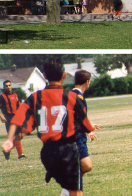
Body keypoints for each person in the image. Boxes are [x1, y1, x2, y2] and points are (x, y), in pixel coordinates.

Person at [3, 58, 90, 196]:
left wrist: (9, 139)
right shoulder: (71, 97)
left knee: (70, 189)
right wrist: (89, 129)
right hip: (67, 150)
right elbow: (85, 124)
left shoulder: (35, 97)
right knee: (76, 193)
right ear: (64, 75)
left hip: (48, 154)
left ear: (44, 75)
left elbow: (18, 118)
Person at [72, 71, 100, 176]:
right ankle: (67, 188)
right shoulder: (78, 97)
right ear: (87, 82)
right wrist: (89, 128)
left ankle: (69, 191)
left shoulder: (72, 95)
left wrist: (88, 130)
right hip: (76, 136)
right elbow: (78, 119)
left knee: (82, 168)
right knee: (86, 166)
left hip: (76, 135)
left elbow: (77, 117)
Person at [0, 80, 25, 160]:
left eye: (9, 85)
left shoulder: (15, 95)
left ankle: (7, 150)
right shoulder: (2, 97)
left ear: (11, 86)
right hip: (9, 118)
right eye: (6, 86)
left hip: (16, 116)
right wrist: (1, 116)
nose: (8, 87)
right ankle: (20, 155)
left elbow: (19, 106)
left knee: (20, 136)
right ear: (4, 87)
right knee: (17, 136)